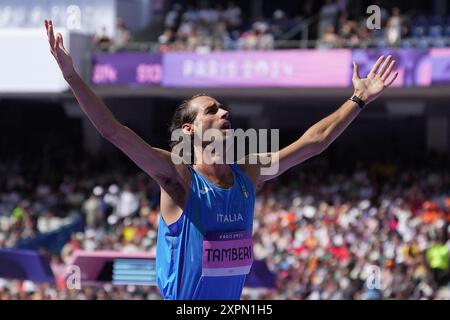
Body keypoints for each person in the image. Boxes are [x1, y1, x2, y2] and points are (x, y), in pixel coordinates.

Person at [44, 19, 398, 300]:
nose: (224, 111)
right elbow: (113, 131)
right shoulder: (177, 176)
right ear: (190, 129)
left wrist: (358, 99)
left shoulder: (250, 171)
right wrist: (73, 77)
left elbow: (314, 142)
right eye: (212, 110)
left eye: (223, 106)